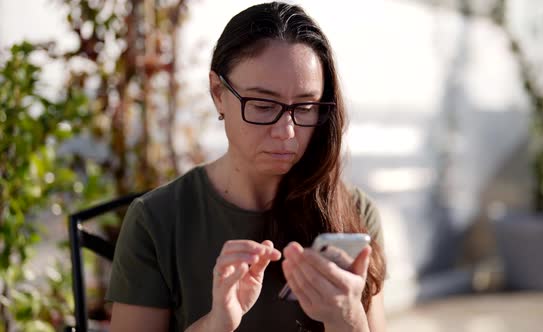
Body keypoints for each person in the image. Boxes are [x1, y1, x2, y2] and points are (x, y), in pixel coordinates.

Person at [107, 2, 386, 331]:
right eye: (264, 105)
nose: (287, 132)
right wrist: (217, 323)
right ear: (217, 93)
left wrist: (346, 316)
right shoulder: (158, 220)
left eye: (306, 107)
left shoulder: (351, 212)